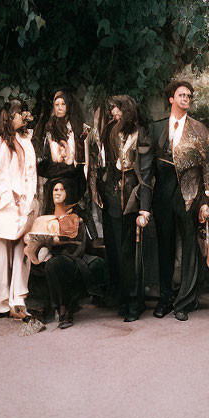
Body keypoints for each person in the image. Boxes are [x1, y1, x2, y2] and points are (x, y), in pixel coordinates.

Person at [150, 80, 209, 321]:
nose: (186, 98)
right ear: (171, 99)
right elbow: (147, 166)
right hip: (163, 192)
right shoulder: (157, 128)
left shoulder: (199, 128)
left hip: (189, 193)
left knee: (189, 245)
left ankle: (184, 301)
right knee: (165, 245)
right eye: (181, 95)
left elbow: (206, 166)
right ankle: (165, 298)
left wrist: (206, 198)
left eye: (189, 96)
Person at [95, 95, 152, 322]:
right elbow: (105, 164)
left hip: (132, 195)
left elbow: (146, 173)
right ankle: (121, 297)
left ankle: (134, 302)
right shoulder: (110, 132)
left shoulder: (142, 133)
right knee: (116, 251)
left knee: (130, 253)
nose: (114, 114)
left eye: (117, 109)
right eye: (112, 110)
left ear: (126, 110)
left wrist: (144, 206)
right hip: (112, 196)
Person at [0, 99, 38, 319]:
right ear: (10, 117)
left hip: (23, 205)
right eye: (18, 114)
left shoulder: (27, 141)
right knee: (0, 254)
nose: (22, 117)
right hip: (6, 204)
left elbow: (31, 173)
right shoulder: (1, 142)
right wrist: (11, 197)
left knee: (22, 251)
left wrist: (27, 199)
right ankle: (1, 302)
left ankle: (18, 298)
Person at [24, 178, 91, 329]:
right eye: (55, 190)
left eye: (62, 189)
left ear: (68, 192)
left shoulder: (75, 215)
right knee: (34, 261)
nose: (58, 193)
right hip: (49, 253)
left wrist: (55, 247)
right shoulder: (47, 213)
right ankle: (39, 308)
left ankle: (64, 309)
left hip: (70, 256)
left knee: (56, 264)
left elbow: (77, 244)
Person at [39, 88, 90, 191]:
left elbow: (85, 159)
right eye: (57, 105)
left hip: (74, 176)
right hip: (55, 176)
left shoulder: (79, 128)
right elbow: (47, 155)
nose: (60, 108)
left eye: (63, 104)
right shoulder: (49, 128)